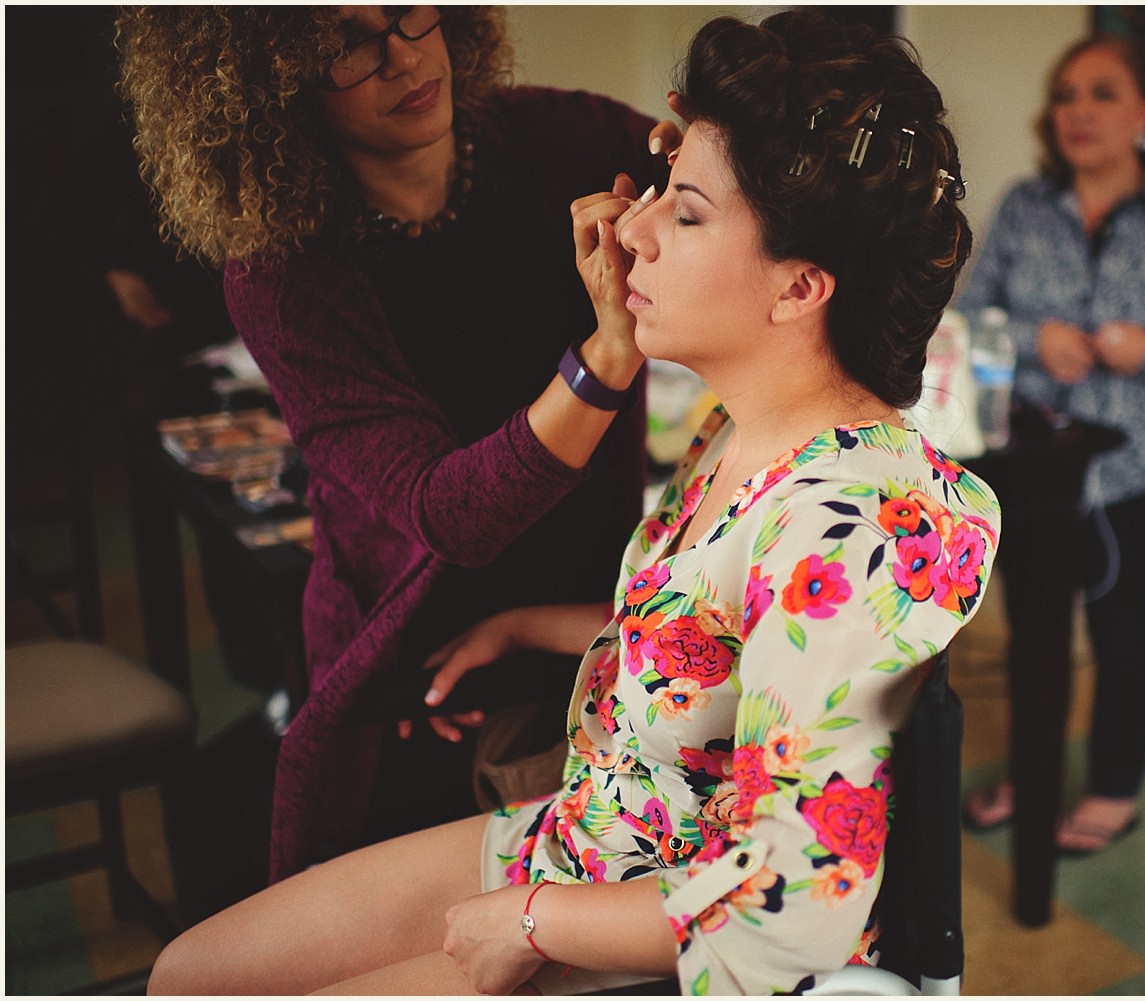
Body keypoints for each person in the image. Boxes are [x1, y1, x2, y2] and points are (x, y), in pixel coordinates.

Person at [144, 10, 1000, 995]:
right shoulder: (743, 432)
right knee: (190, 974)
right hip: (591, 827)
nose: (623, 227)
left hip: (656, 909)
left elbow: (790, 905)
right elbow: (731, 627)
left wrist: (534, 918)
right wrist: (542, 624)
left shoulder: (865, 521)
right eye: (664, 190)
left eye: (680, 211)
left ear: (799, 285)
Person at [115, 6, 678, 882]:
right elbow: (447, 515)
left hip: (588, 611)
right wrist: (608, 356)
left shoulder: (550, 139)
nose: (405, 56)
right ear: (267, 85)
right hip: (408, 650)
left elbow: (717, 174)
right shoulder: (280, 269)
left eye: (412, 10)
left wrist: (717, 134)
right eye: (345, 43)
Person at [957, 33, 1145, 853]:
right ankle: (1034, 770)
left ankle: (1116, 788)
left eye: (1103, 93)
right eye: (1067, 94)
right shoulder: (1023, 205)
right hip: (1030, 470)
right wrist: (1030, 337)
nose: (1079, 111)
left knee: (1122, 632)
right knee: (1034, 635)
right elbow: (969, 318)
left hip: (1134, 473)